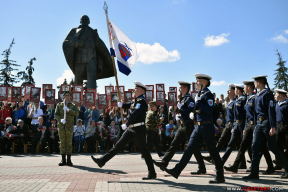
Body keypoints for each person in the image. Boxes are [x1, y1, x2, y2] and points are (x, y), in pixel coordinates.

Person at [162, 74, 225, 184]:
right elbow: (199, 110)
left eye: (198, 80)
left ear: (204, 82)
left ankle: (220, 175)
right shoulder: (200, 94)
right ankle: (177, 170)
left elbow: (209, 111)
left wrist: (198, 102)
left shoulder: (208, 94)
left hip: (206, 126)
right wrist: (193, 113)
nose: (196, 82)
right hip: (198, 126)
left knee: (213, 151)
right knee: (189, 149)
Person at [91, 81, 157, 180]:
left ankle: (152, 173)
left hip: (138, 129)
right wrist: (123, 104)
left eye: (136, 88)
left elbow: (135, 114)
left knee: (144, 151)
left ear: (141, 90)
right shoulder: (136, 100)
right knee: (118, 145)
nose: (134, 90)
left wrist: (126, 124)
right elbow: (130, 104)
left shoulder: (142, 101)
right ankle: (102, 161)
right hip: (132, 129)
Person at [153, 81, 206, 175]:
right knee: (174, 144)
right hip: (182, 125)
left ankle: (202, 167)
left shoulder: (189, 99)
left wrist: (181, 109)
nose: (179, 89)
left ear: (186, 88)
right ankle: (164, 162)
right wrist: (179, 115)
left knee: (193, 148)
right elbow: (183, 111)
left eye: (181, 87)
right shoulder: (183, 98)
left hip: (188, 126)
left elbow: (191, 111)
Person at [243, 75, 288, 179]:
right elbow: (255, 112)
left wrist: (273, 126)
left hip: (267, 123)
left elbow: (271, 111)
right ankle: (254, 173)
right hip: (258, 124)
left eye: (255, 82)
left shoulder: (267, 94)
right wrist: (255, 124)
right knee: (255, 147)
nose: (254, 84)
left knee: (273, 147)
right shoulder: (257, 95)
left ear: (259, 82)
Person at [224, 80, 274, 174]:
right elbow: (247, 114)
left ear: (249, 87)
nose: (244, 89)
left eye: (245, 87)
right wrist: (245, 128)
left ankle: (270, 167)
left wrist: (256, 125)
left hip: (255, 124)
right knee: (243, 145)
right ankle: (235, 165)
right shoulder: (248, 98)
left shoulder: (255, 97)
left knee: (262, 146)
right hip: (248, 125)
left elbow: (256, 113)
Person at [220, 84, 247, 166]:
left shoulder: (243, 100)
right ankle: (221, 162)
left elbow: (247, 115)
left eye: (235, 89)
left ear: (238, 90)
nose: (234, 91)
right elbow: (235, 115)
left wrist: (245, 127)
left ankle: (252, 165)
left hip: (242, 124)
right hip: (236, 124)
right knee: (231, 144)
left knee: (245, 145)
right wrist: (234, 125)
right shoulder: (237, 100)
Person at [55, 91, 79, 166]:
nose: (67, 96)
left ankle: (69, 160)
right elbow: (56, 115)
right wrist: (60, 120)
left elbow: (77, 113)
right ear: (63, 97)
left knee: (69, 142)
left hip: (69, 126)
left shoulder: (74, 105)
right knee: (62, 142)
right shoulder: (59, 105)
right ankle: (63, 160)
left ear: (70, 96)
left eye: (69, 95)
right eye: (66, 95)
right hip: (62, 126)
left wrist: (69, 110)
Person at [273, 89, 288, 171]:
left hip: (286, 126)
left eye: (277, 94)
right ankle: (279, 163)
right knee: (278, 145)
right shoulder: (277, 104)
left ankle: (283, 160)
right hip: (279, 126)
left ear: (281, 95)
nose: (275, 95)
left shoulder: (287, 104)